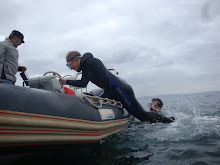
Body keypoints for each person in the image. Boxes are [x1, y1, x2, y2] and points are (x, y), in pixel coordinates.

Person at [59, 51, 172, 123]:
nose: (71, 68)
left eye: (70, 66)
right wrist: (66, 81)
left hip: (121, 90)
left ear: (74, 60)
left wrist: (106, 96)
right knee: (142, 116)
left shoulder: (92, 62)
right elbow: (83, 83)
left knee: (142, 116)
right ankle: (165, 118)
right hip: (114, 90)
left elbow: (108, 81)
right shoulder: (85, 69)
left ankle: (170, 121)